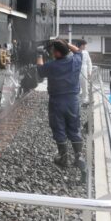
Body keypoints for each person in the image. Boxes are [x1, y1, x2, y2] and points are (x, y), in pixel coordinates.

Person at [36, 39, 84, 169]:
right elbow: (79, 51)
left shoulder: (52, 65)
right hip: (73, 101)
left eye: (53, 51)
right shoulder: (76, 61)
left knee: (59, 127)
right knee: (74, 127)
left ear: (57, 53)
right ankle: (79, 156)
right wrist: (65, 43)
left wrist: (39, 54)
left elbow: (40, 70)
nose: (51, 53)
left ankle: (63, 158)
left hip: (57, 101)